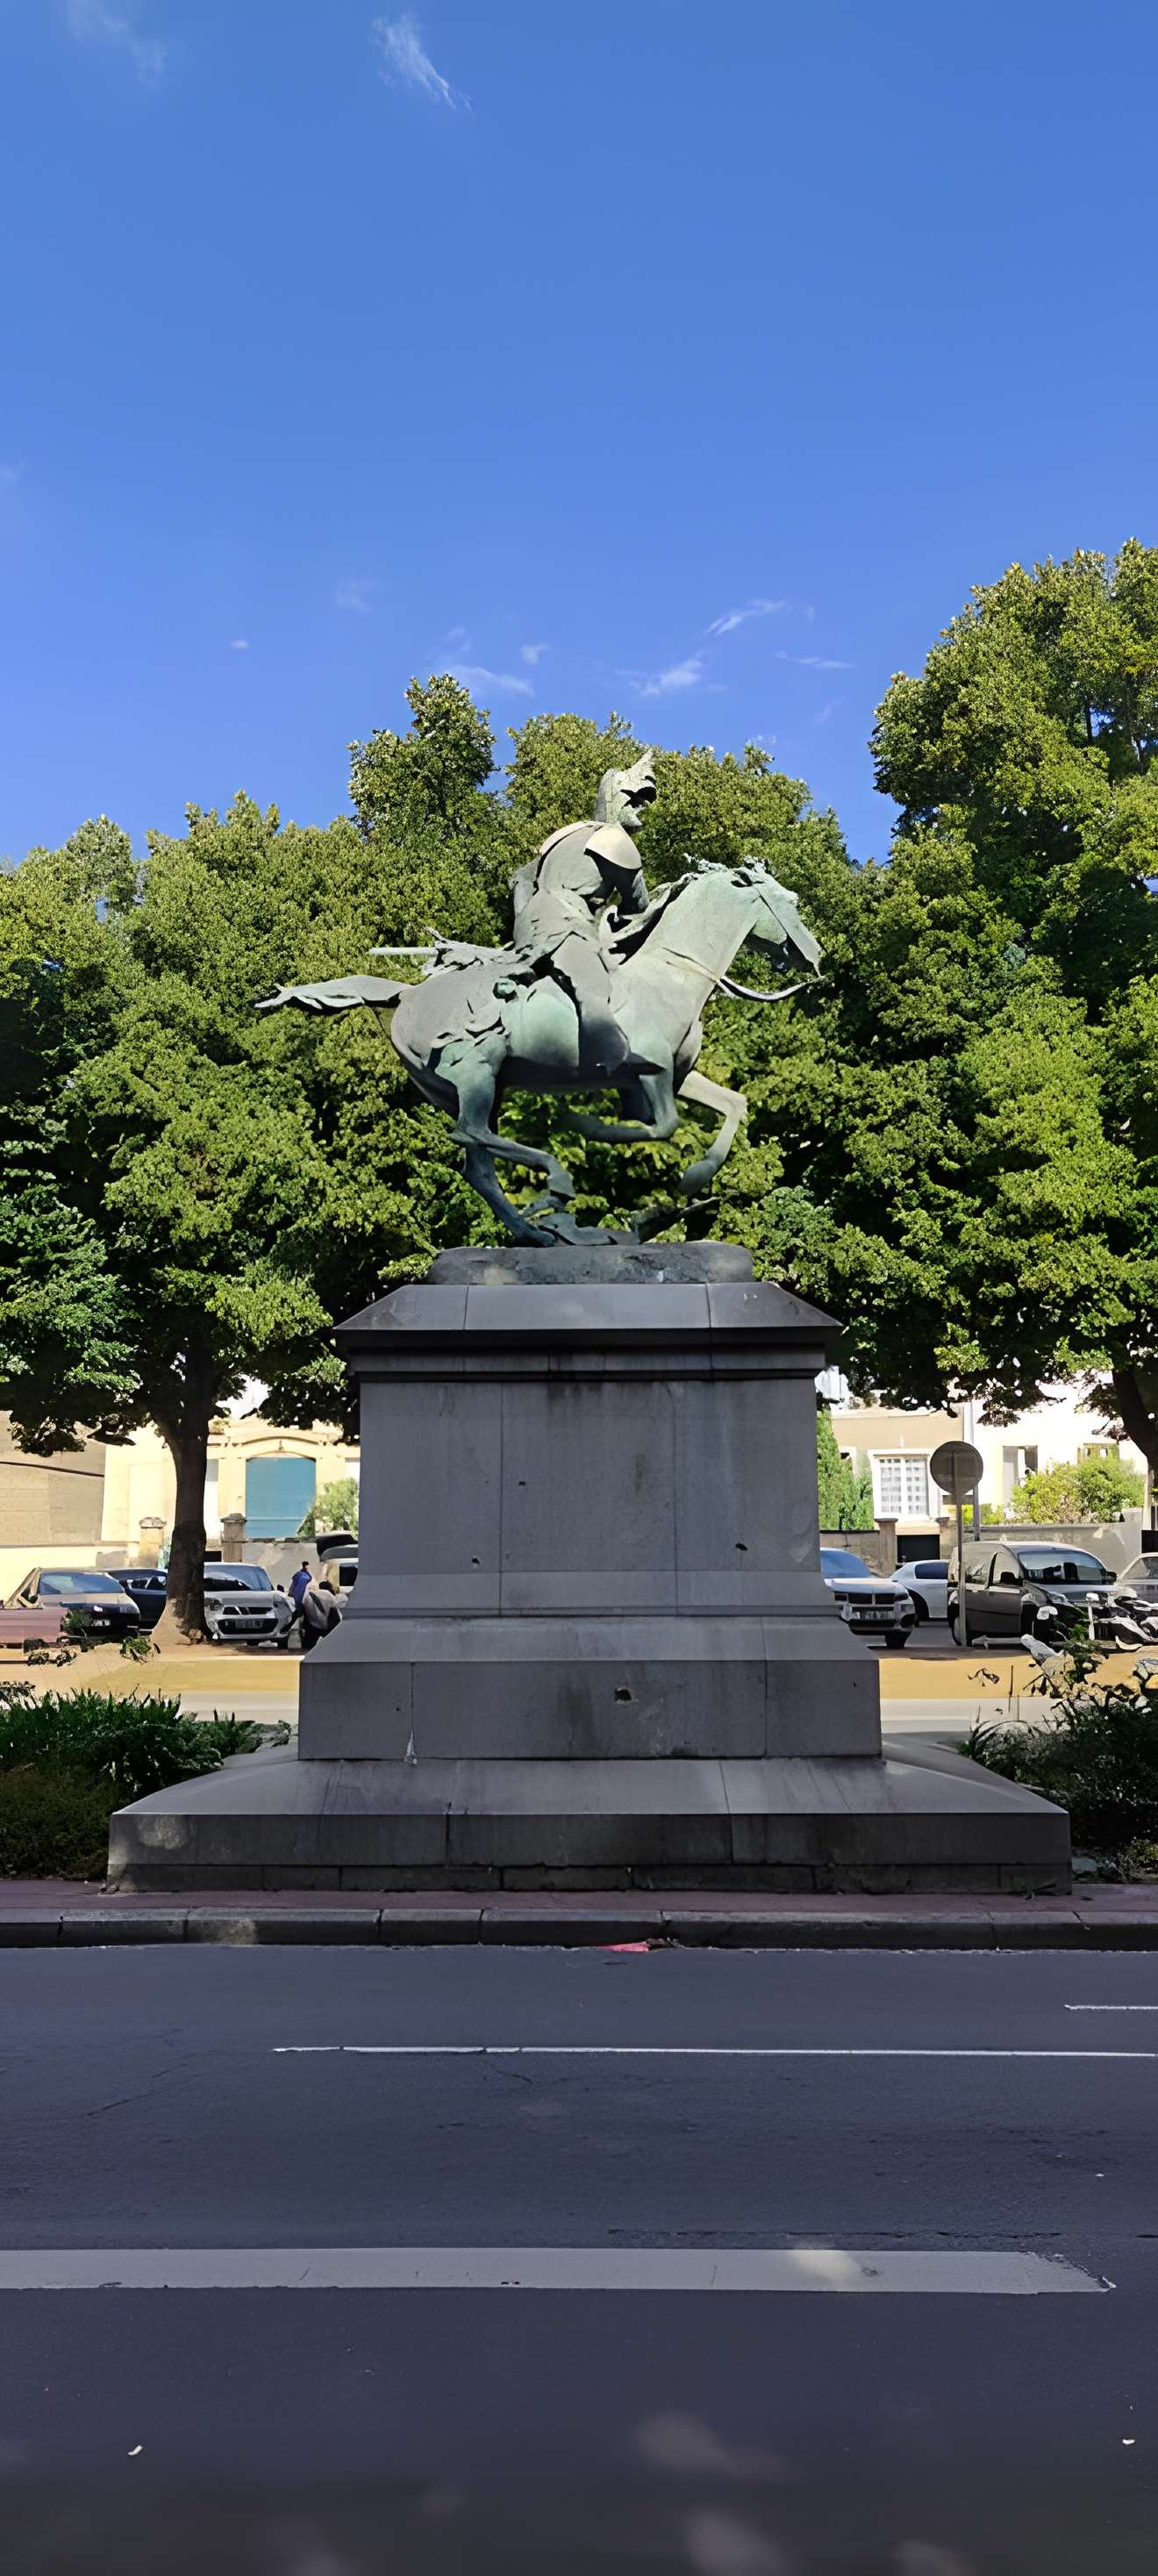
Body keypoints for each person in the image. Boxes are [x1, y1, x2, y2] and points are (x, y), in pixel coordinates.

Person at [508, 753, 658, 1081]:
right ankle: (610, 1060)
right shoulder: (615, 841)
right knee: (593, 983)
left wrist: (524, 922)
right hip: (565, 926)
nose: (642, 808)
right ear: (616, 799)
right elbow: (639, 906)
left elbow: (519, 879)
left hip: (534, 925)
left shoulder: (566, 835)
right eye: (635, 801)